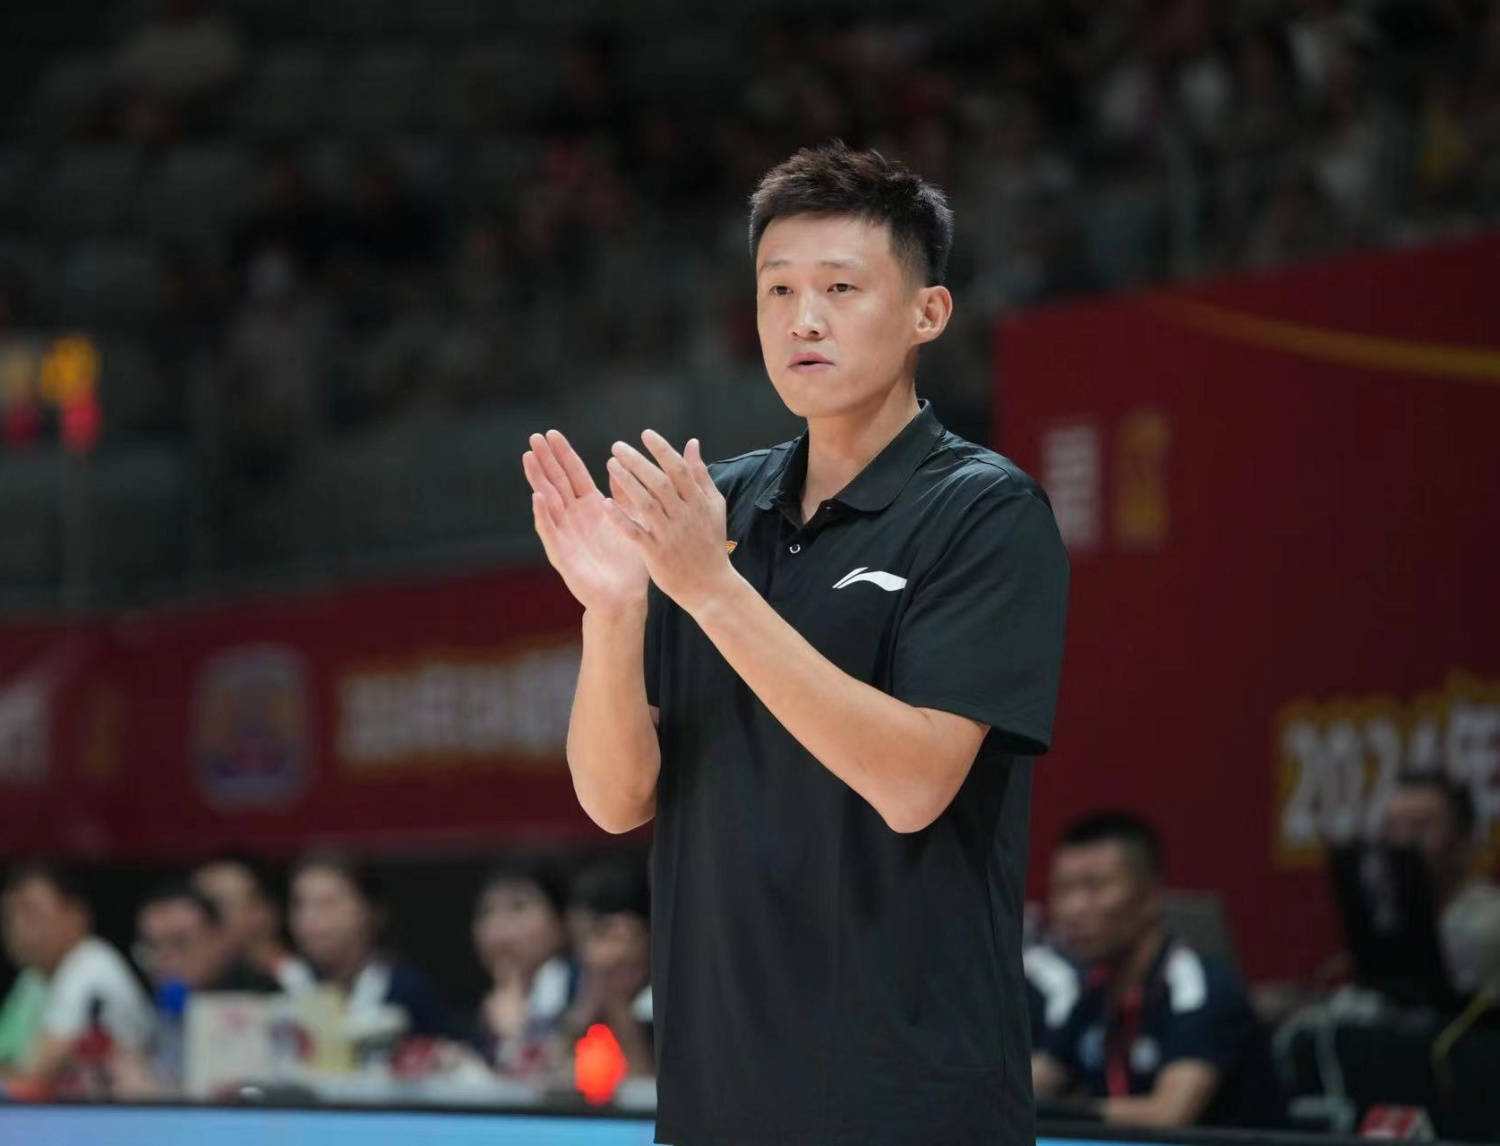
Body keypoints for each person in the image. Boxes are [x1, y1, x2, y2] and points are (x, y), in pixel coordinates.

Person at [521, 141, 1069, 1145]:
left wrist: (711, 590)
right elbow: (615, 798)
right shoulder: (712, 508)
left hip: (912, 1110)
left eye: (840, 288)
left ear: (927, 313)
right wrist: (614, 613)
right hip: (714, 1105)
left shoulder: (984, 513)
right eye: (777, 290)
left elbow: (914, 784)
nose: (802, 319)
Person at [1031, 812, 1281, 1128]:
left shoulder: (1198, 991)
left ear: (1150, 895)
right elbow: (1034, 1082)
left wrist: (1061, 1113)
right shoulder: (1093, 995)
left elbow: (1168, 1115)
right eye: (1062, 890)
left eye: (1094, 887)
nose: (1073, 908)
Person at [0, 863, 153, 1091]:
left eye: (31, 913)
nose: (18, 927)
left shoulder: (91, 965)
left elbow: (34, 1078)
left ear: (77, 916)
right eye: (9, 916)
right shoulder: (32, 980)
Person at [288, 856, 463, 1043]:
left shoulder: (406, 989)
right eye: (300, 905)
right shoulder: (284, 985)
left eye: (328, 904)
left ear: (370, 910)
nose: (310, 918)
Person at [1382, 771, 1500, 995]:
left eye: (1420, 827)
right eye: (1393, 827)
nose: (1402, 842)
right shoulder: (1389, 920)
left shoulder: (1492, 923)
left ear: (1463, 839)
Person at [472, 856, 575, 1077]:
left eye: (518, 907)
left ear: (561, 921)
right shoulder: (480, 1008)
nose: (498, 927)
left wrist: (513, 1032)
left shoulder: (585, 992)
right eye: (487, 912)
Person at [556, 857, 653, 1080]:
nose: (588, 953)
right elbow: (551, 1075)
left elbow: (644, 1081)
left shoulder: (663, 1001)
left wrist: (618, 1006)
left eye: (601, 935)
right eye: (581, 940)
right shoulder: (563, 981)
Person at [193, 854, 314, 993]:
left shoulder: (297, 977)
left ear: (262, 913)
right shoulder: (191, 976)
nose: (199, 918)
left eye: (214, 905)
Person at [134, 882, 281, 996]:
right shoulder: (142, 1004)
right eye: (152, 947)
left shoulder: (266, 999)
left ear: (218, 939)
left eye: (179, 942)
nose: (164, 960)